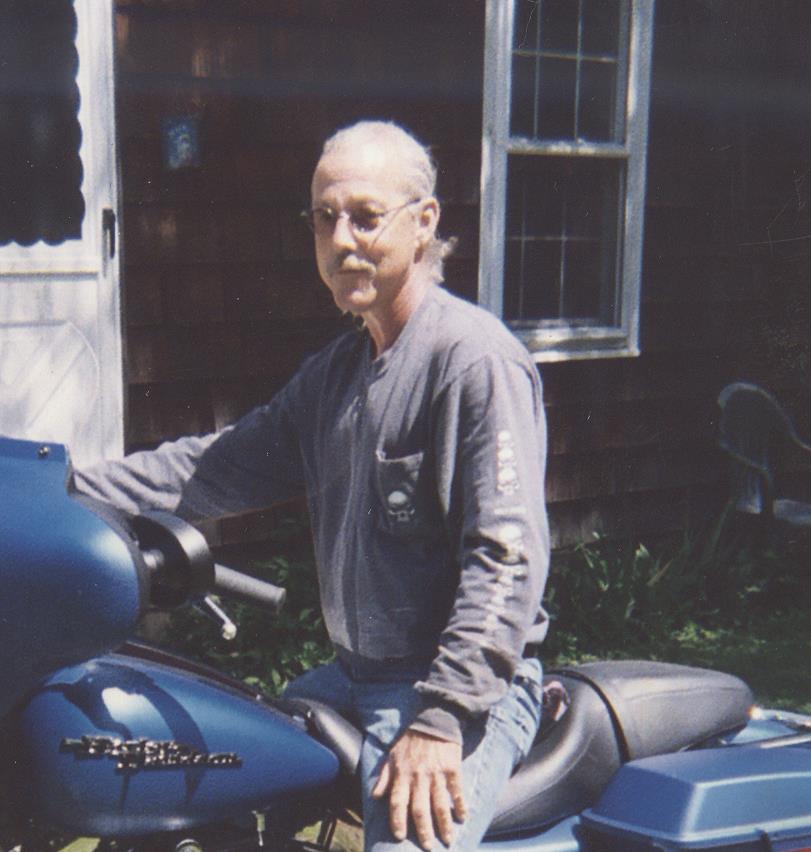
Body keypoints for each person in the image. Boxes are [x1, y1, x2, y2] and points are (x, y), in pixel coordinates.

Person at [76, 120, 550, 851]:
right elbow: (210, 467)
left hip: (454, 693)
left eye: (365, 216)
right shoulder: (336, 374)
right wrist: (57, 484)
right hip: (354, 676)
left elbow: (507, 556)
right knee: (209, 776)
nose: (340, 240)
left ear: (424, 222)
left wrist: (442, 719)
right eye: (324, 218)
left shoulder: (473, 361)